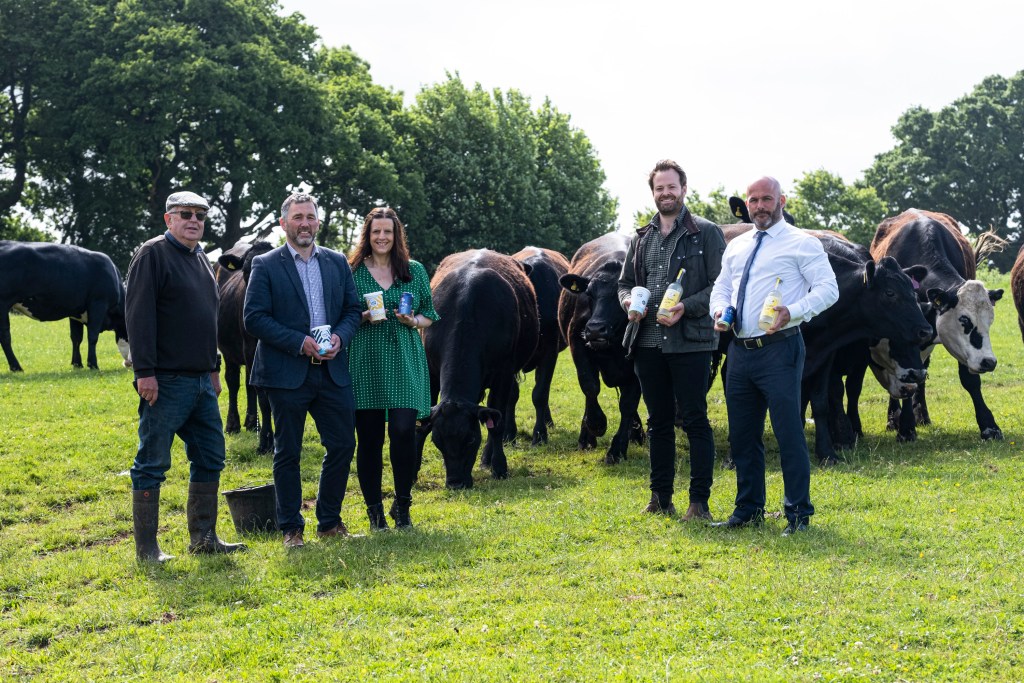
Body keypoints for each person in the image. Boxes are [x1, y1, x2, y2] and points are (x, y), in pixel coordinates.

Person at [709, 176, 839, 536]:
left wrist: (793, 311)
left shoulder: (802, 243)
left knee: (788, 432)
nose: (760, 206)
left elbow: (829, 289)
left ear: (781, 201)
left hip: (780, 348)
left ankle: (798, 513)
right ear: (746, 204)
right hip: (740, 351)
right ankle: (748, 509)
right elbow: (722, 286)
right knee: (742, 435)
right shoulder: (737, 245)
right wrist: (718, 309)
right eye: (753, 200)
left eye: (767, 199)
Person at [125, 190, 246, 562]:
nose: (194, 220)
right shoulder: (152, 254)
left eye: (200, 215)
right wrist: (145, 372)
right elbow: (138, 316)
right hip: (165, 381)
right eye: (186, 214)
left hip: (201, 382)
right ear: (169, 219)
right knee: (152, 463)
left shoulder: (200, 258)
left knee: (211, 456)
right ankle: (147, 549)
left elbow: (208, 320)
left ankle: (204, 538)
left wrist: (214, 368)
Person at [243, 192, 362, 549]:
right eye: (297, 217)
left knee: (343, 444)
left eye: (310, 217)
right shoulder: (266, 264)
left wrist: (340, 337)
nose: (305, 224)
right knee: (288, 452)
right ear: (284, 224)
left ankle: (329, 522)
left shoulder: (337, 262)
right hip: (287, 372)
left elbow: (352, 310)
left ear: (318, 222)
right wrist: (299, 342)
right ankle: (291, 529)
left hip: (332, 370)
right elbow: (254, 318)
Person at [618, 160, 726, 521]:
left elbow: (720, 286)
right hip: (647, 342)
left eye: (671, 187)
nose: (666, 194)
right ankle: (660, 497)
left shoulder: (706, 233)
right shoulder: (641, 237)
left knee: (695, 419)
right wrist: (628, 302)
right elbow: (624, 284)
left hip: (690, 341)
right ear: (653, 193)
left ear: (684, 189)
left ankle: (699, 503)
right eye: (659, 188)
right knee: (658, 422)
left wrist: (687, 307)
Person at [347, 207, 439, 530]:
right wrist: (362, 317)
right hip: (366, 361)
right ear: (367, 235)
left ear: (397, 235)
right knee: (369, 438)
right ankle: (374, 513)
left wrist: (412, 321)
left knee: (402, 431)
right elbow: (342, 314)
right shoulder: (353, 272)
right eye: (376, 232)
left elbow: (429, 315)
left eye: (388, 231)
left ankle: (403, 506)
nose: (382, 237)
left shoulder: (413, 270)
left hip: (404, 360)